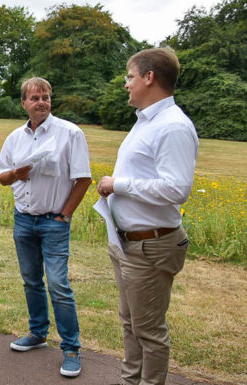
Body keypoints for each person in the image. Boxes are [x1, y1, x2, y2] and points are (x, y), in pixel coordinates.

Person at [97, 47, 198, 385]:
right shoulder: (146, 122)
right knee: (130, 323)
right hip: (127, 244)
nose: (126, 84)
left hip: (150, 247)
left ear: (149, 77)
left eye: (130, 77)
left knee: (149, 331)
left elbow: (175, 189)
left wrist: (118, 184)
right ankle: (130, 381)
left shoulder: (172, 127)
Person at [0, 77, 91, 377]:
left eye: (46, 97)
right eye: (35, 98)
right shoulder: (15, 138)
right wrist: (16, 173)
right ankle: (37, 333)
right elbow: (1, 177)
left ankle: (71, 348)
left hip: (54, 221)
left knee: (58, 285)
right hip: (23, 218)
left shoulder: (70, 133)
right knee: (31, 281)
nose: (41, 102)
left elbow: (83, 179)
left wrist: (65, 215)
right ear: (23, 102)